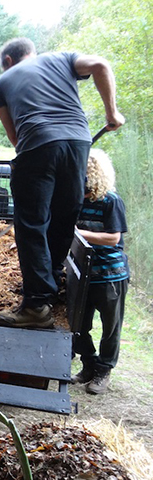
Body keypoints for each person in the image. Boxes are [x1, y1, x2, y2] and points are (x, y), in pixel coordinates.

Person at [0, 37, 124, 328]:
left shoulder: (1, 82)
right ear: (32, 53)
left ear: (9, 61)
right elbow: (100, 65)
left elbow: (15, 139)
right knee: (63, 219)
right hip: (78, 144)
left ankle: (36, 304)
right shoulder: (62, 58)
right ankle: (48, 289)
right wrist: (111, 112)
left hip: (37, 144)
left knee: (32, 224)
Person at [71, 149, 129, 395]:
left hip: (110, 276)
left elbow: (113, 238)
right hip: (83, 275)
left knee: (110, 327)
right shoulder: (75, 200)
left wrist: (78, 233)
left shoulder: (110, 201)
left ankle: (104, 370)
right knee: (78, 325)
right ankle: (89, 364)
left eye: (84, 173)